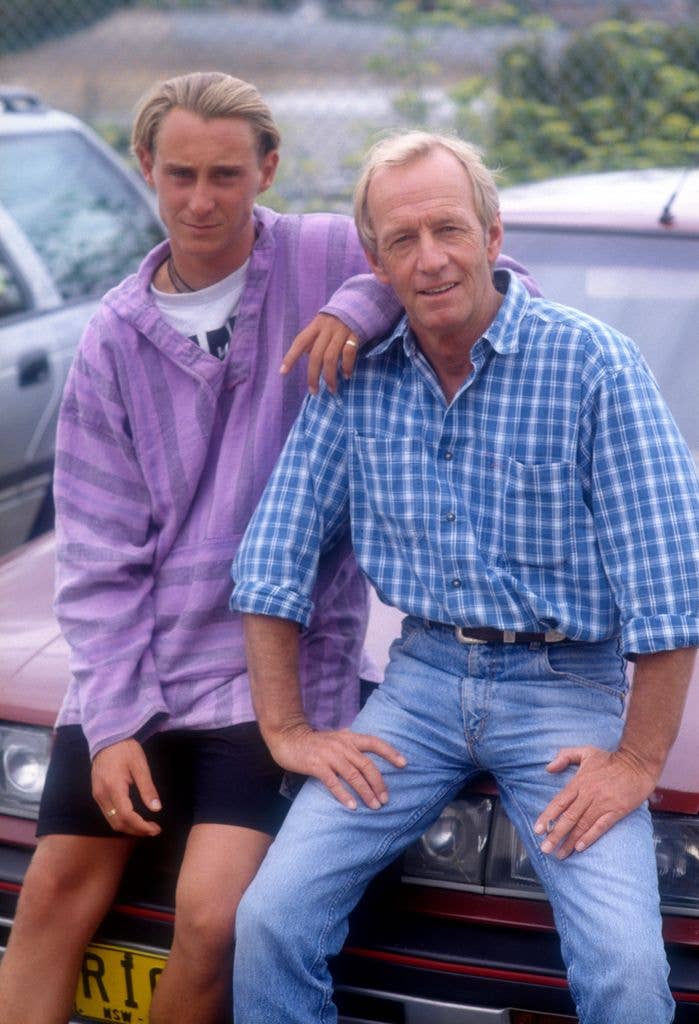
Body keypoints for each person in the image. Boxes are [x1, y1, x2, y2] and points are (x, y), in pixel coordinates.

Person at [230, 131, 699, 1024]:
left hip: (565, 690)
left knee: (627, 975)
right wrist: (286, 728)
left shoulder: (591, 365)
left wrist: (637, 760)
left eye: (447, 229)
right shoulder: (356, 377)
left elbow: (667, 583)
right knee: (270, 920)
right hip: (419, 686)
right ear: (373, 261)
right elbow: (273, 557)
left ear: (491, 235)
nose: (429, 258)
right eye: (401, 241)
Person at [0, 71, 410, 1024]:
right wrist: (112, 727)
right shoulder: (112, 336)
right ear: (144, 167)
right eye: (179, 173)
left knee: (213, 917)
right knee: (54, 891)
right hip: (142, 658)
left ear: (268, 169)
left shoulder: (318, 256)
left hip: (277, 668)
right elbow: (98, 560)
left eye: (227, 174)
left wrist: (361, 305)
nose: (201, 200)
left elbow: (471, 275)